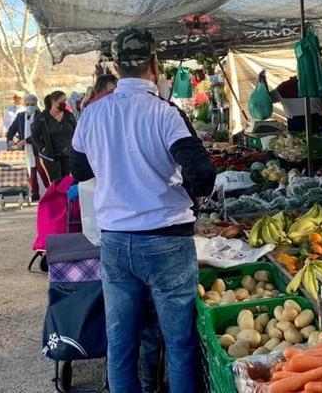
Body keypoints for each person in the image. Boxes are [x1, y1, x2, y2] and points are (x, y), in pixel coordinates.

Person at [70, 29, 215, 392]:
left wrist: (117, 170)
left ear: (117, 68)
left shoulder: (92, 114)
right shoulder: (164, 113)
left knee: (121, 342)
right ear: (154, 64)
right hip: (166, 240)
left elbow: (80, 171)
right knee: (178, 341)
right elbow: (202, 174)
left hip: (116, 241)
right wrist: (188, 192)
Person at [258, 71, 322, 138]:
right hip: (298, 130)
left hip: (316, 129)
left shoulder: (319, 86)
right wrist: (263, 85)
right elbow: (266, 100)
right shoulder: (284, 88)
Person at [6, 93, 49, 201]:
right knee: (31, 171)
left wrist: (26, 140)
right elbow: (11, 130)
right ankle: (34, 193)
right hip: (25, 149)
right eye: (28, 104)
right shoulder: (20, 116)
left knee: (42, 170)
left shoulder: (41, 116)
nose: (30, 106)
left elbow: (40, 134)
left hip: (37, 148)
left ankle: (50, 189)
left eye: (32, 104)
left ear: (36, 104)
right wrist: (10, 139)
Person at [32, 90, 77, 183]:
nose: (64, 104)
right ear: (53, 102)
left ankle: (65, 197)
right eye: (61, 101)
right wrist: (42, 148)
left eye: (65, 101)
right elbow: (34, 135)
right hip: (52, 156)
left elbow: (76, 131)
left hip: (68, 155)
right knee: (56, 181)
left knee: (66, 181)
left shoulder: (69, 116)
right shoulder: (43, 118)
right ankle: (56, 197)